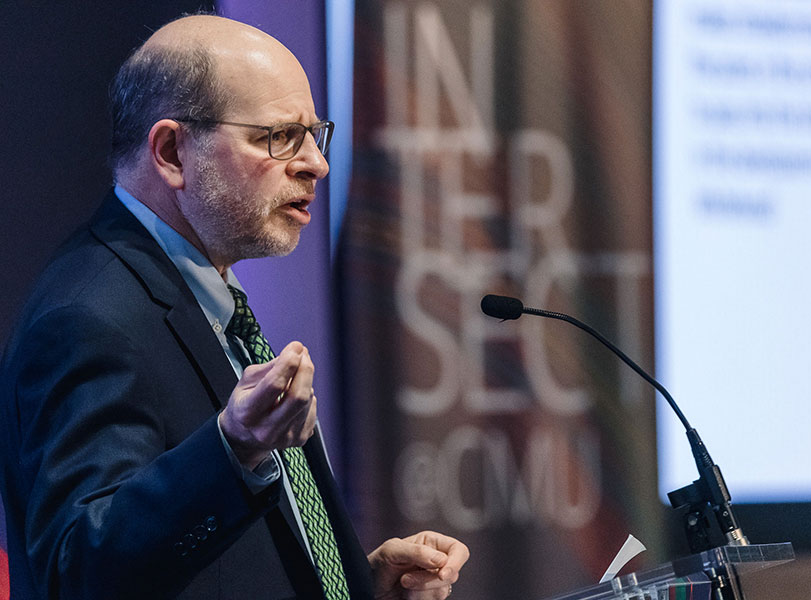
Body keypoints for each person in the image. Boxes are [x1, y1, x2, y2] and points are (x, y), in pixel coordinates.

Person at [0, 14, 467, 600]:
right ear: (171, 151)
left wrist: (355, 586)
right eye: (278, 137)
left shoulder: (199, 288)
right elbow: (77, 572)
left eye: (313, 134)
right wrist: (234, 448)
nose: (316, 164)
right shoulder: (88, 318)